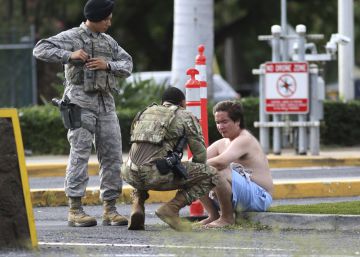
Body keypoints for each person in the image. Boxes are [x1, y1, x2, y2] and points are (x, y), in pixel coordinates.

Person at [33, 0, 133, 227]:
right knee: (79, 154)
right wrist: (69, 55)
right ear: (95, 18)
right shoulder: (72, 36)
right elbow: (40, 49)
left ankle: (110, 209)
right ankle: (75, 210)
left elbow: (127, 64)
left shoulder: (109, 41)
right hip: (79, 103)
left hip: (106, 105)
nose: (109, 22)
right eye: (106, 18)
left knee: (112, 156)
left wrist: (107, 65)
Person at [121, 87, 228, 231]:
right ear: (183, 102)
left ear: (162, 102)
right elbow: (200, 156)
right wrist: (190, 176)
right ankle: (171, 208)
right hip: (154, 174)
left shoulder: (145, 113)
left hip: (128, 172)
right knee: (212, 174)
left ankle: (137, 206)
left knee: (141, 163)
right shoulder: (185, 116)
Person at [199, 100, 273, 228]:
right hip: (241, 196)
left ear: (237, 121)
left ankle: (227, 218)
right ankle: (213, 215)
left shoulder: (245, 139)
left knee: (217, 170)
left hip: (259, 198)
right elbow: (196, 160)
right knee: (194, 172)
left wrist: (192, 166)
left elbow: (220, 162)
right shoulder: (221, 143)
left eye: (224, 122)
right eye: (218, 122)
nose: (220, 126)